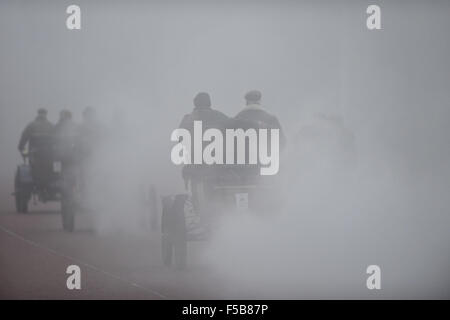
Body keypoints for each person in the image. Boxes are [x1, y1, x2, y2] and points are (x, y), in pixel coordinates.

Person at [17, 108, 55, 195]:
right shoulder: (51, 126)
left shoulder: (31, 125)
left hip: (35, 153)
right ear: (46, 114)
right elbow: (57, 139)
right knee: (50, 167)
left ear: (38, 114)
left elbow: (24, 137)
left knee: (32, 167)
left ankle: (36, 180)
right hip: (49, 154)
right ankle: (48, 180)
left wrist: (21, 147)